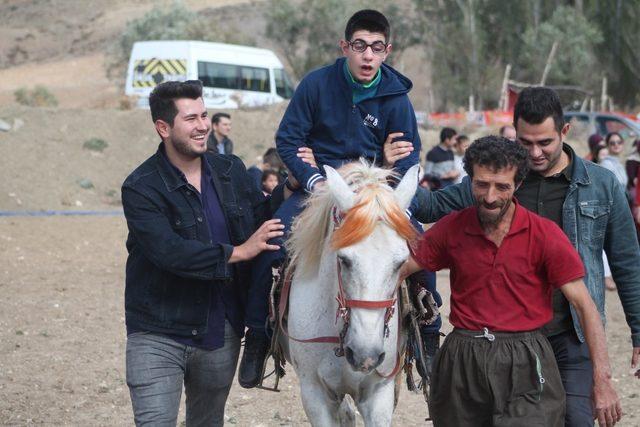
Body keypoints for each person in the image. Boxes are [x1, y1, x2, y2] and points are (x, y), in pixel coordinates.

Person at [384, 86, 640, 426]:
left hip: (569, 332)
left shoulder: (602, 185)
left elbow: (626, 263)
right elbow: (429, 209)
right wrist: (389, 171)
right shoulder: (493, 178)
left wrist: (637, 334)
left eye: (544, 142)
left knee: (575, 420)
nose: (534, 152)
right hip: (493, 340)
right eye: (526, 142)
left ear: (564, 132)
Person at [238, 9, 436, 389]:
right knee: (272, 241)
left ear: (386, 51)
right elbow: (289, 140)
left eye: (376, 48)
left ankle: (428, 334)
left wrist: (393, 184)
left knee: (419, 244)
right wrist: (312, 178)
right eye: (359, 46)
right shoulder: (316, 85)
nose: (367, 56)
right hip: (321, 190)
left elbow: (410, 154)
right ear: (345, 47)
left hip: (373, 191)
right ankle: (258, 337)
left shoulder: (396, 97)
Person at [121, 80, 284, 425]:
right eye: (191, 118)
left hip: (219, 331)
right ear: (163, 128)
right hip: (157, 333)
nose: (203, 126)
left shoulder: (231, 170)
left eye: (205, 115)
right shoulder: (141, 187)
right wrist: (238, 253)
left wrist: (291, 187)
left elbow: (261, 219)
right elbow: (169, 252)